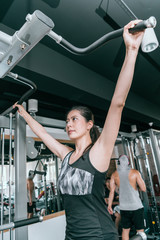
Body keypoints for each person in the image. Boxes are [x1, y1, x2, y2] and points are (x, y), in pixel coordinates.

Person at [13, 20, 144, 240]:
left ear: (89, 124)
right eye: (67, 121)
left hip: (99, 235)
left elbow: (118, 103)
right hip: (72, 236)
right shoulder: (66, 156)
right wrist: (24, 114)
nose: (69, 124)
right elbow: (44, 135)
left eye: (74, 119)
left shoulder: (99, 153)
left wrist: (131, 50)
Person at [107, 155, 146, 240]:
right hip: (136, 206)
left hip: (124, 208)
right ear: (128, 162)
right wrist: (135, 187)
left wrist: (109, 205)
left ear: (119, 163)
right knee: (140, 232)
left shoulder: (114, 175)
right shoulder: (135, 172)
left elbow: (112, 192)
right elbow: (143, 188)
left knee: (125, 230)